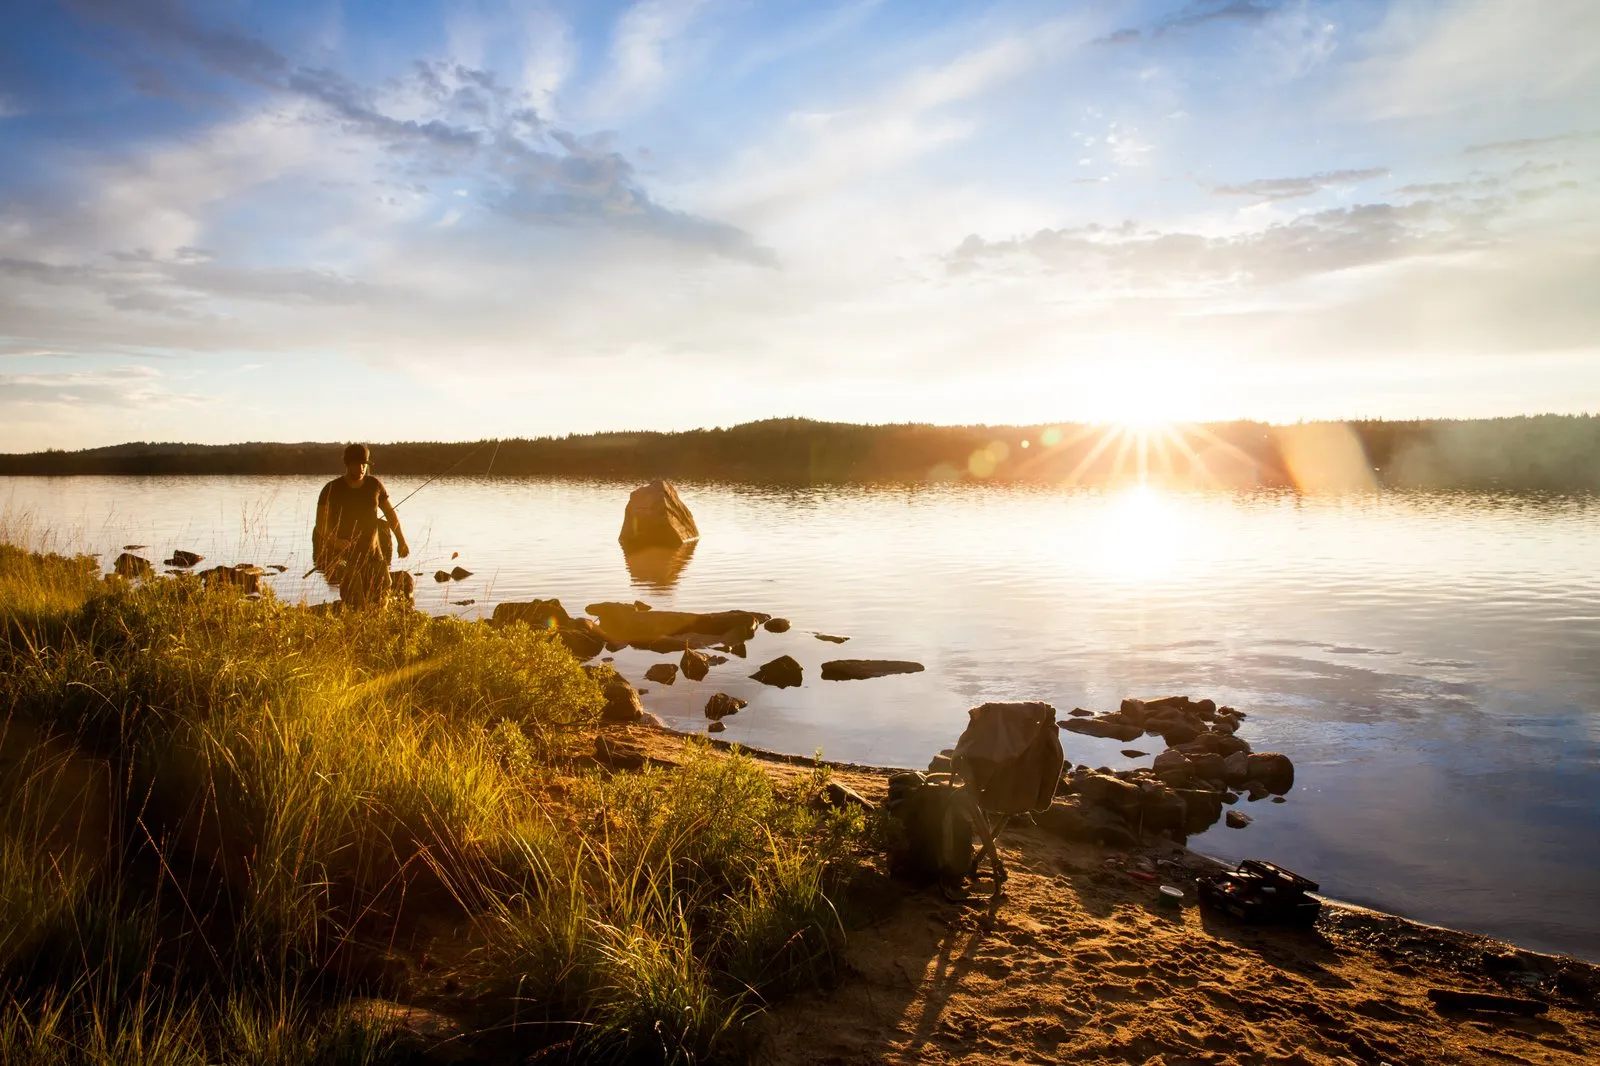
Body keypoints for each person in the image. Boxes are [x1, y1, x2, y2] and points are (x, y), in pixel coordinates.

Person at [313, 443, 409, 608]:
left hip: (375, 555)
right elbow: (320, 525)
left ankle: (377, 630)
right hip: (345, 558)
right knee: (355, 603)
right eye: (357, 464)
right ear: (348, 464)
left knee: (383, 596)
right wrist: (336, 542)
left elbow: (391, 516)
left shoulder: (375, 485)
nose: (362, 468)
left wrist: (401, 540)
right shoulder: (331, 489)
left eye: (364, 464)